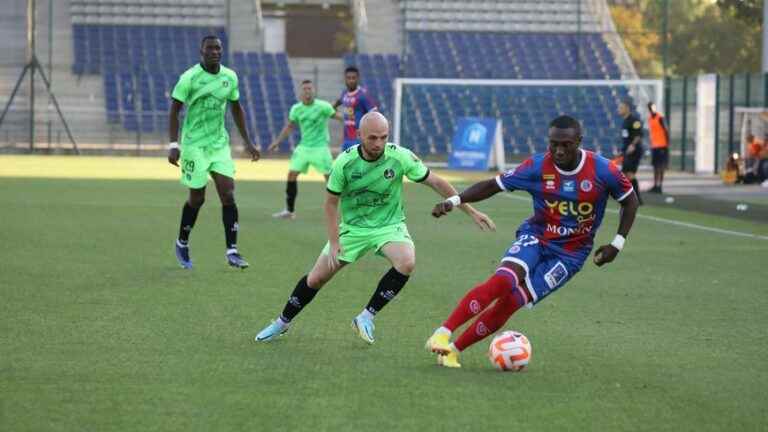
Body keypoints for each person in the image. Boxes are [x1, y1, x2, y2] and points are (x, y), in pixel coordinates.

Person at [255, 112, 496, 344]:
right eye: (372, 137)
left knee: (407, 262)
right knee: (316, 279)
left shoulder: (400, 156)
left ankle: (366, 317)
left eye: (384, 137)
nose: (379, 143)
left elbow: (437, 182)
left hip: (389, 226)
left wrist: (471, 210)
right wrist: (335, 241)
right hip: (352, 229)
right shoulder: (345, 163)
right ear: (359, 134)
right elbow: (330, 203)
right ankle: (281, 322)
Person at [425, 115, 640, 368]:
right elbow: (492, 186)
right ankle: (443, 332)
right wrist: (453, 202)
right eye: (553, 144)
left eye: (566, 145)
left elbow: (630, 200)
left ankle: (452, 351)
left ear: (579, 142)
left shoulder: (603, 170)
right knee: (504, 280)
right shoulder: (537, 167)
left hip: (570, 255)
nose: (558, 151)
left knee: (513, 301)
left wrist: (617, 243)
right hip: (537, 236)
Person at [168, 35, 260, 270]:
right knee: (197, 198)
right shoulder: (189, 78)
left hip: (219, 145)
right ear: (202, 51)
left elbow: (236, 107)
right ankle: (182, 241)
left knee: (228, 194)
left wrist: (247, 142)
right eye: (210, 48)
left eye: (218, 48)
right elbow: (175, 110)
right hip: (194, 145)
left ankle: (232, 251)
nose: (215, 52)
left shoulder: (229, 77)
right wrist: (173, 144)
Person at [270, 80, 343, 220]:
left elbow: (339, 117)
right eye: (305, 89)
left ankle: (344, 210)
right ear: (301, 92)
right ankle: (289, 211)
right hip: (304, 147)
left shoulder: (323, 106)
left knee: (330, 179)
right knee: (291, 174)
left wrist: (354, 120)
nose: (307, 91)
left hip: (320, 148)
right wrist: (277, 142)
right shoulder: (296, 109)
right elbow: (290, 126)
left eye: (309, 88)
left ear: (313, 90)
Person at [334, 66, 378, 151]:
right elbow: (336, 105)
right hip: (346, 139)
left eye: (353, 78)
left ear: (358, 79)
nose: (351, 80)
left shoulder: (363, 95)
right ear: (345, 79)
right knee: (345, 163)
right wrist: (341, 116)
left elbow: (374, 113)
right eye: (348, 78)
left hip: (359, 139)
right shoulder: (344, 93)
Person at [618, 100, 644, 205]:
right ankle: (630, 197)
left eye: (621, 108)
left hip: (634, 151)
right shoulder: (625, 121)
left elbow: (638, 135)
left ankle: (637, 198)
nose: (619, 110)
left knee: (629, 174)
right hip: (627, 151)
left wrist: (632, 145)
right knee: (625, 174)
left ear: (627, 108)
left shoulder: (634, 121)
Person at [647, 102, 669, 193]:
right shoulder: (650, 119)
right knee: (655, 166)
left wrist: (667, 143)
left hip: (662, 145)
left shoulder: (660, 117)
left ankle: (660, 185)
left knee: (661, 166)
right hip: (654, 145)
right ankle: (655, 185)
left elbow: (666, 130)